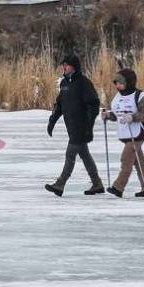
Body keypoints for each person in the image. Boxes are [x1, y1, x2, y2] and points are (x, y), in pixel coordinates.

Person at [45, 54, 103, 197]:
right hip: (71, 127)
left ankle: (60, 184)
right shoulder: (64, 84)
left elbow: (94, 103)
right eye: (63, 64)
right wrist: (52, 121)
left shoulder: (83, 82)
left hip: (81, 127)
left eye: (67, 64)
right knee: (85, 155)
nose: (64, 67)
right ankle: (97, 184)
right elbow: (59, 105)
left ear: (74, 67)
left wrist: (89, 125)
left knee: (70, 154)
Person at [102, 68, 144, 198]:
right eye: (116, 83)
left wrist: (132, 117)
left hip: (139, 132)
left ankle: (118, 187)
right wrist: (108, 115)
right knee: (138, 161)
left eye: (120, 83)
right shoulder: (118, 97)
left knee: (126, 159)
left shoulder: (140, 96)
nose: (118, 85)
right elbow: (118, 115)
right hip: (127, 133)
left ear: (129, 82)